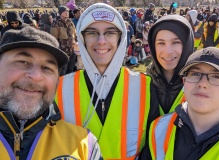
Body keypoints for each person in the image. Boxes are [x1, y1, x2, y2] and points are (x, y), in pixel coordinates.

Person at [54, 3, 159, 159]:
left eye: (110, 32)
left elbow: (152, 148)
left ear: (120, 38)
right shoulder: (60, 88)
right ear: (82, 38)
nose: (101, 41)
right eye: (92, 32)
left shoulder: (146, 87)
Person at [0, 27, 102, 159]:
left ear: (57, 82)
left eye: (47, 68)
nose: (36, 76)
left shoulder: (84, 145)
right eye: (23, 62)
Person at [140, 47, 219, 159]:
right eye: (195, 74)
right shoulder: (159, 128)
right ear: (184, 82)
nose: (202, 83)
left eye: (216, 76)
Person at [146, 15, 194, 116]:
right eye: (161, 43)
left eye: (175, 42)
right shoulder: (139, 84)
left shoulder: (204, 83)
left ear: (187, 45)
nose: (168, 51)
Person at [50, 6, 77, 76]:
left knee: (71, 69)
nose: (67, 13)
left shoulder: (70, 22)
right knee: (63, 71)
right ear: (60, 13)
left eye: (67, 11)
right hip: (63, 51)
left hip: (72, 50)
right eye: (65, 12)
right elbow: (54, 38)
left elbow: (75, 34)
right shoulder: (56, 23)